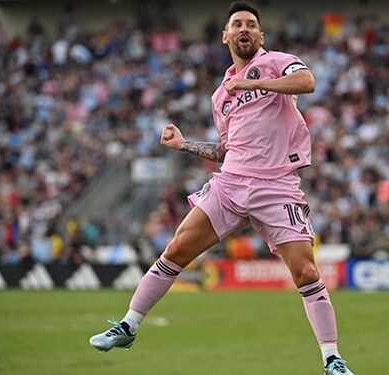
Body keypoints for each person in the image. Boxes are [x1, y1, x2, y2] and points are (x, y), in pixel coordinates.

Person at [89, 2, 356, 374]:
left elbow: (308, 83)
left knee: (307, 273)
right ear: (225, 36)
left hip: (277, 185)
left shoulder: (279, 62)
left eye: (251, 24)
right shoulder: (220, 96)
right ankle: (128, 325)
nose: (244, 29)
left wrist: (253, 81)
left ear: (260, 36)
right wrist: (184, 145)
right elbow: (226, 149)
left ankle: (332, 358)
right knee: (178, 247)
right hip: (231, 182)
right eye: (237, 25)